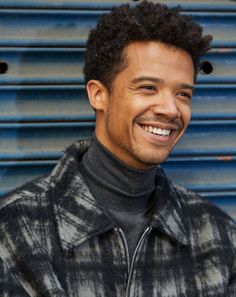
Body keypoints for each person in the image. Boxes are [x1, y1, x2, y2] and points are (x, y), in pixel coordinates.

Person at [0, 1, 235, 296]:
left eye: (183, 93)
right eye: (149, 87)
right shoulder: (14, 232)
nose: (171, 109)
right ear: (99, 95)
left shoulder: (218, 237)